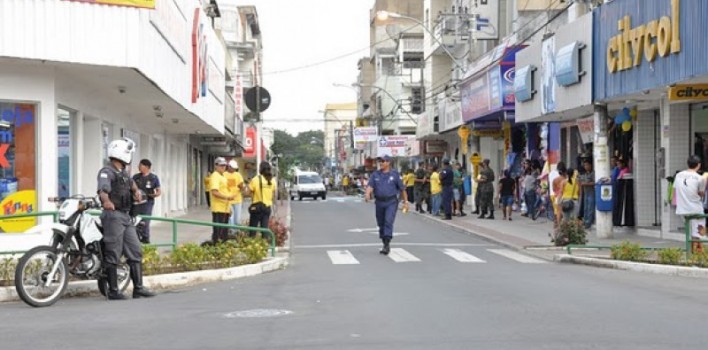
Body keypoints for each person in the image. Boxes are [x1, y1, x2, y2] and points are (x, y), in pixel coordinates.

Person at [97, 137, 155, 300]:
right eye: (129, 153)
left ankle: (138, 288)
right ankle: (114, 290)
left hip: (125, 216)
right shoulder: (106, 172)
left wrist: (136, 192)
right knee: (113, 252)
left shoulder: (123, 173)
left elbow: (132, 185)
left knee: (135, 250)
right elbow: (103, 190)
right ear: (122, 154)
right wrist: (106, 201)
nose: (130, 157)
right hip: (113, 216)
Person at [365, 155, 408, 255]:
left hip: (391, 202)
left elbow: (402, 189)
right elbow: (370, 186)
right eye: (380, 161)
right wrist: (367, 194)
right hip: (379, 202)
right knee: (381, 223)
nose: (381, 163)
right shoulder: (375, 175)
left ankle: (387, 243)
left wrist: (406, 202)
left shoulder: (395, 174)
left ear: (388, 163)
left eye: (383, 161)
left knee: (388, 221)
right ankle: (384, 241)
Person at [675, 155, 707, 253]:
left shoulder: (678, 175)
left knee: (691, 231)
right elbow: (701, 194)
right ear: (699, 165)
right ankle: (696, 254)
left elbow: (675, 189)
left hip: (682, 209)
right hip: (695, 209)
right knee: (699, 231)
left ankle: (695, 252)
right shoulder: (700, 178)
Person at [131, 159, 161, 244]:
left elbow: (159, 191)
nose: (138, 167)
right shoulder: (135, 177)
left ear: (147, 167)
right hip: (136, 203)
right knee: (135, 221)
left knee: (145, 222)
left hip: (147, 203)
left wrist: (155, 194)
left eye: (140, 165)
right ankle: (135, 240)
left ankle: (145, 239)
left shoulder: (154, 178)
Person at [209, 157, 234, 243]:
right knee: (218, 232)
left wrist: (229, 207)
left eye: (224, 165)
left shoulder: (222, 176)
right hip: (218, 208)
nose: (223, 167)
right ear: (216, 166)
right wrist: (227, 198)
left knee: (224, 232)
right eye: (221, 165)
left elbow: (225, 191)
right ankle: (217, 248)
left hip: (225, 208)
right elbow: (214, 192)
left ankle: (222, 247)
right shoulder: (215, 176)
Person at [248, 161, 277, 236]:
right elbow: (273, 195)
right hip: (267, 208)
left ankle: (252, 245)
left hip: (257, 207)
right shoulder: (272, 180)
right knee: (264, 229)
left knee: (252, 229)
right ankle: (265, 245)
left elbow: (248, 192)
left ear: (260, 169)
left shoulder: (255, 179)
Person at [225, 160, 246, 227]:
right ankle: (232, 232)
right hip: (228, 200)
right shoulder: (224, 174)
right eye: (232, 168)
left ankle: (236, 232)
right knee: (230, 218)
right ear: (229, 167)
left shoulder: (238, 175)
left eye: (234, 168)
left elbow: (242, 186)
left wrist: (242, 187)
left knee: (237, 219)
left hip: (237, 200)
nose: (233, 169)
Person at [578, 159, 595, 229]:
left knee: (590, 208)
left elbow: (595, 182)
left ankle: (589, 223)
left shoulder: (593, 173)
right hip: (585, 194)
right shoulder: (584, 175)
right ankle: (585, 222)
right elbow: (579, 182)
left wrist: (586, 184)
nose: (586, 167)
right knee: (585, 208)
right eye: (585, 165)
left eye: (587, 165)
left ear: (590, 165)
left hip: (591, 193)